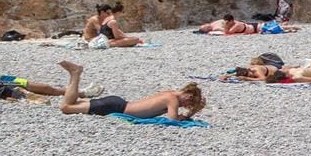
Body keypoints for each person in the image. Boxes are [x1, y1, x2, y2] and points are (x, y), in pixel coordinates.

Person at [56, 61, 203, 120]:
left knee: (72, 103)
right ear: (188, 95)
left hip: (118, 104)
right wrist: (190, 115)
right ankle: (75, 73)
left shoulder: (169, 92)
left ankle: (75, 75)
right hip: (115, 107)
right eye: (188, 102)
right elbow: (172, 120)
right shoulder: (173, 99)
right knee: (66, 107)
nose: (184, 105)